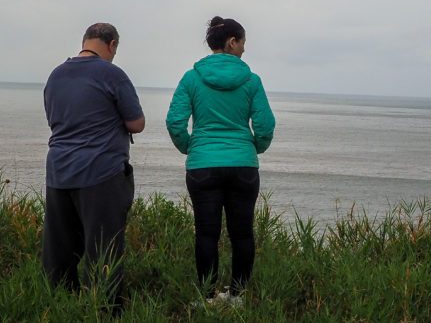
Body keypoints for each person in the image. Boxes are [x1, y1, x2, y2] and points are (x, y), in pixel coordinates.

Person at [167, 16, 275, 306]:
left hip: (203, 164)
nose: (244, 50)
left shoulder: (191, 78)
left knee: (206, 233)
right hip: (243, 165)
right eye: (242, 43)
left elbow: (175, 121)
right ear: (231, 42)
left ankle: (206, 298)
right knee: (242, 233)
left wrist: (192, 147)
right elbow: (264, 126)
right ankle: (237, 296)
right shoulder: (252, 81)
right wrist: (253, 149)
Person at [42, 22, 145, 312]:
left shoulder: (56, 75)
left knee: (59, 249)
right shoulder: (112, 74)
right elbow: (136, 123)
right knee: (104, 249)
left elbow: (54, 119)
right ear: (112, 44)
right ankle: (105, 311)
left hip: (59, 172)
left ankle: (60, 306)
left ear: (85, 41)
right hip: (101, 173)